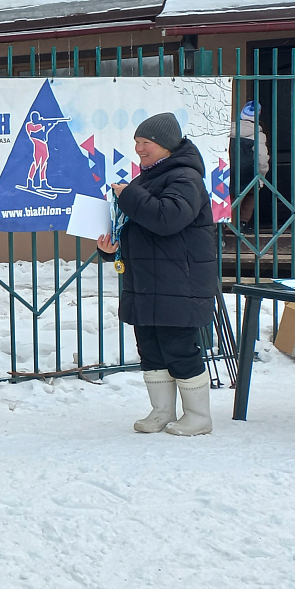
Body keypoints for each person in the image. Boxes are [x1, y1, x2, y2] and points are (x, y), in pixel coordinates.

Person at [96, 112, 219, 437]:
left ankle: (198, 416)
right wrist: (111, 248)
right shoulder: (147, 180)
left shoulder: (185, 178)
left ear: (166, 144)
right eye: (136, 142)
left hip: (179, 283)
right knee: (150, 349)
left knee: (180, 350)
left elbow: (167, 219)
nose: (139, 149)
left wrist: (129, 196)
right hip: (147, 283)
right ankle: (161, 411)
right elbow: (140, 226)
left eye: (145, 142)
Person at [231, 99, 270, 225]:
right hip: (248, 171)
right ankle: (242, 222)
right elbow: (262, 158)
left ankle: (226, 223)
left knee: (230, 196)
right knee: (251, 193)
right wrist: (261, 175)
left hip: (229, 169)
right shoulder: (258, 134)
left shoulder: (229, 130)